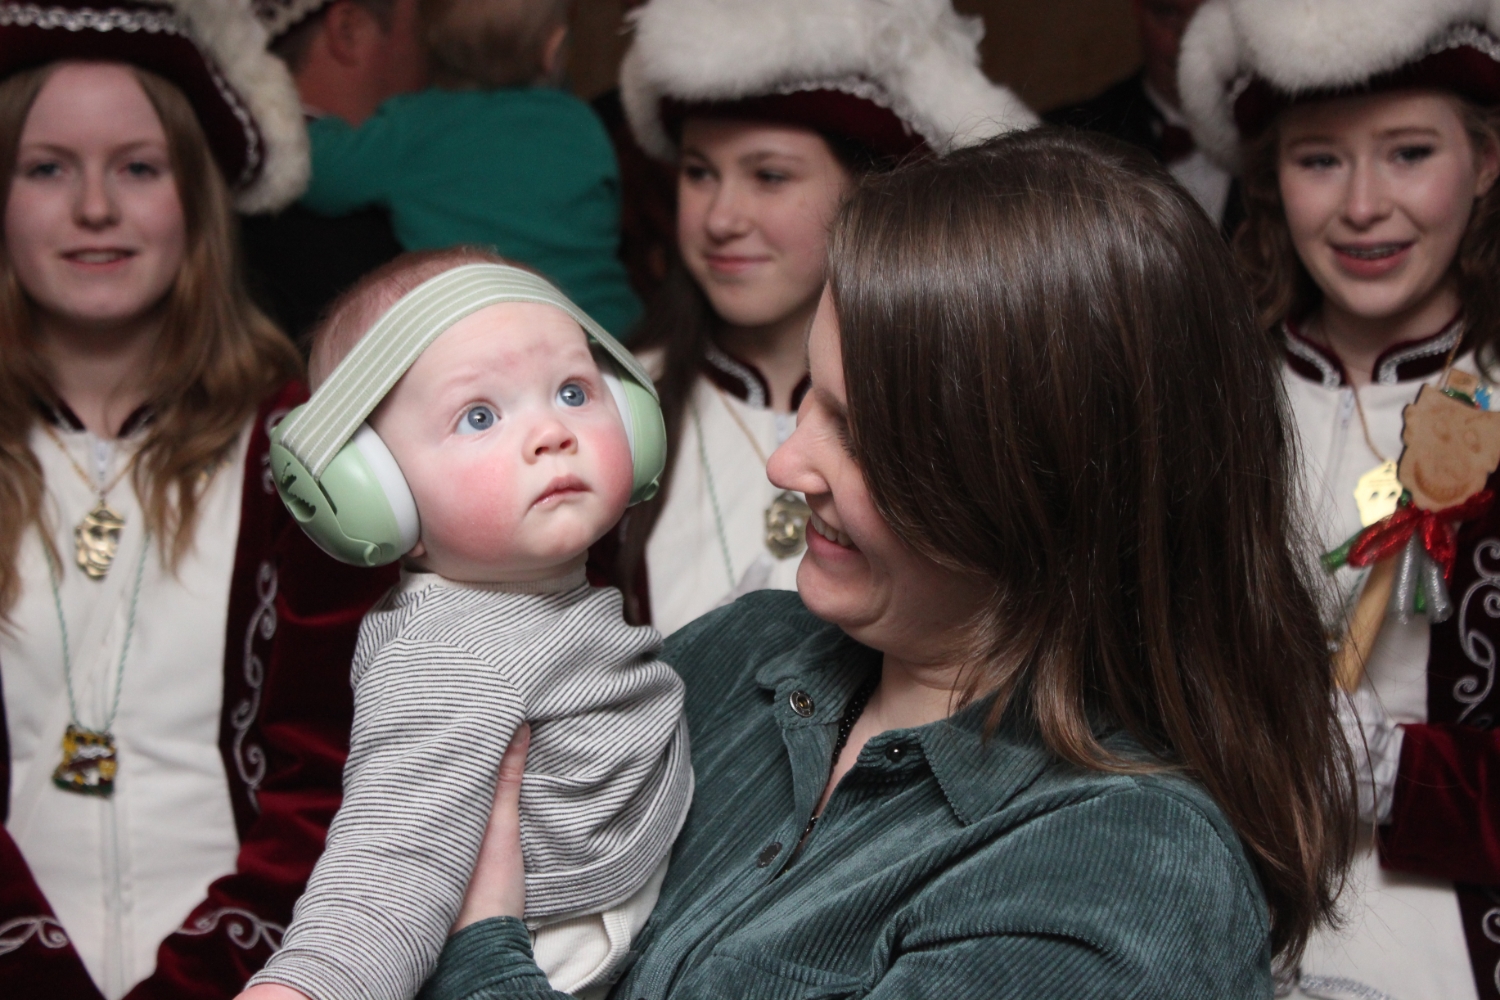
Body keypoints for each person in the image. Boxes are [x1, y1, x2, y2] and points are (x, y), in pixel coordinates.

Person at [417, 128, 1354, 1000]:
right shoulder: (744, 652)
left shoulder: (1119, 876)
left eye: (860, 434)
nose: (788, 464)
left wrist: (479, 947)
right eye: (810, 398)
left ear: (1043, 488)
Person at [0, 2, 396, 996]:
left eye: (139, 167)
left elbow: (341, 778)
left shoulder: (304, 453)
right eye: (47, 169)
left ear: (201, 196)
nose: (95, 207)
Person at [239, 252, 690, 1000]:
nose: (551, 432)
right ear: (374, 495)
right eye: (479, 416)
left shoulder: (539, 608)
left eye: (573, 391)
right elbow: (387, 871)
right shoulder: (447, 659)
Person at [1180, 1, 1500, 997]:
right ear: (1270, 177)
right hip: (1209, 925)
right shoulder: (1204, 399)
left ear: (1487, 162)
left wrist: (1398, 774)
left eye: (1409, 153)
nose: (1363, 205)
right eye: (1319, 159)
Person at [597, 0, 1037, 632]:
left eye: (769, 176)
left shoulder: (944, 412)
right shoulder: (610, 404)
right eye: (699, 173)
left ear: (868, 192)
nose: (721, 218)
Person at [295, 0, 641, 338]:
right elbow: (606, 218)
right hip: (609, 327)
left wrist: (319, 127)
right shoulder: (582, 123)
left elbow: (323, 175)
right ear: (553, 49)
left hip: (487, 333)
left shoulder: (413, 128)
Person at [240, 0, 427, 343]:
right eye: (423, 24)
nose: (437, 48)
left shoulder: (216, 185)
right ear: (348, 30)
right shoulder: (376, 230)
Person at [1046, 0, 1237, 230]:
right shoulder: (1067, 140)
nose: (1187, 35)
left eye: (1206, 14)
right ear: (1137, 11)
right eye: (1167, 12)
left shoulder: (1272, 132)